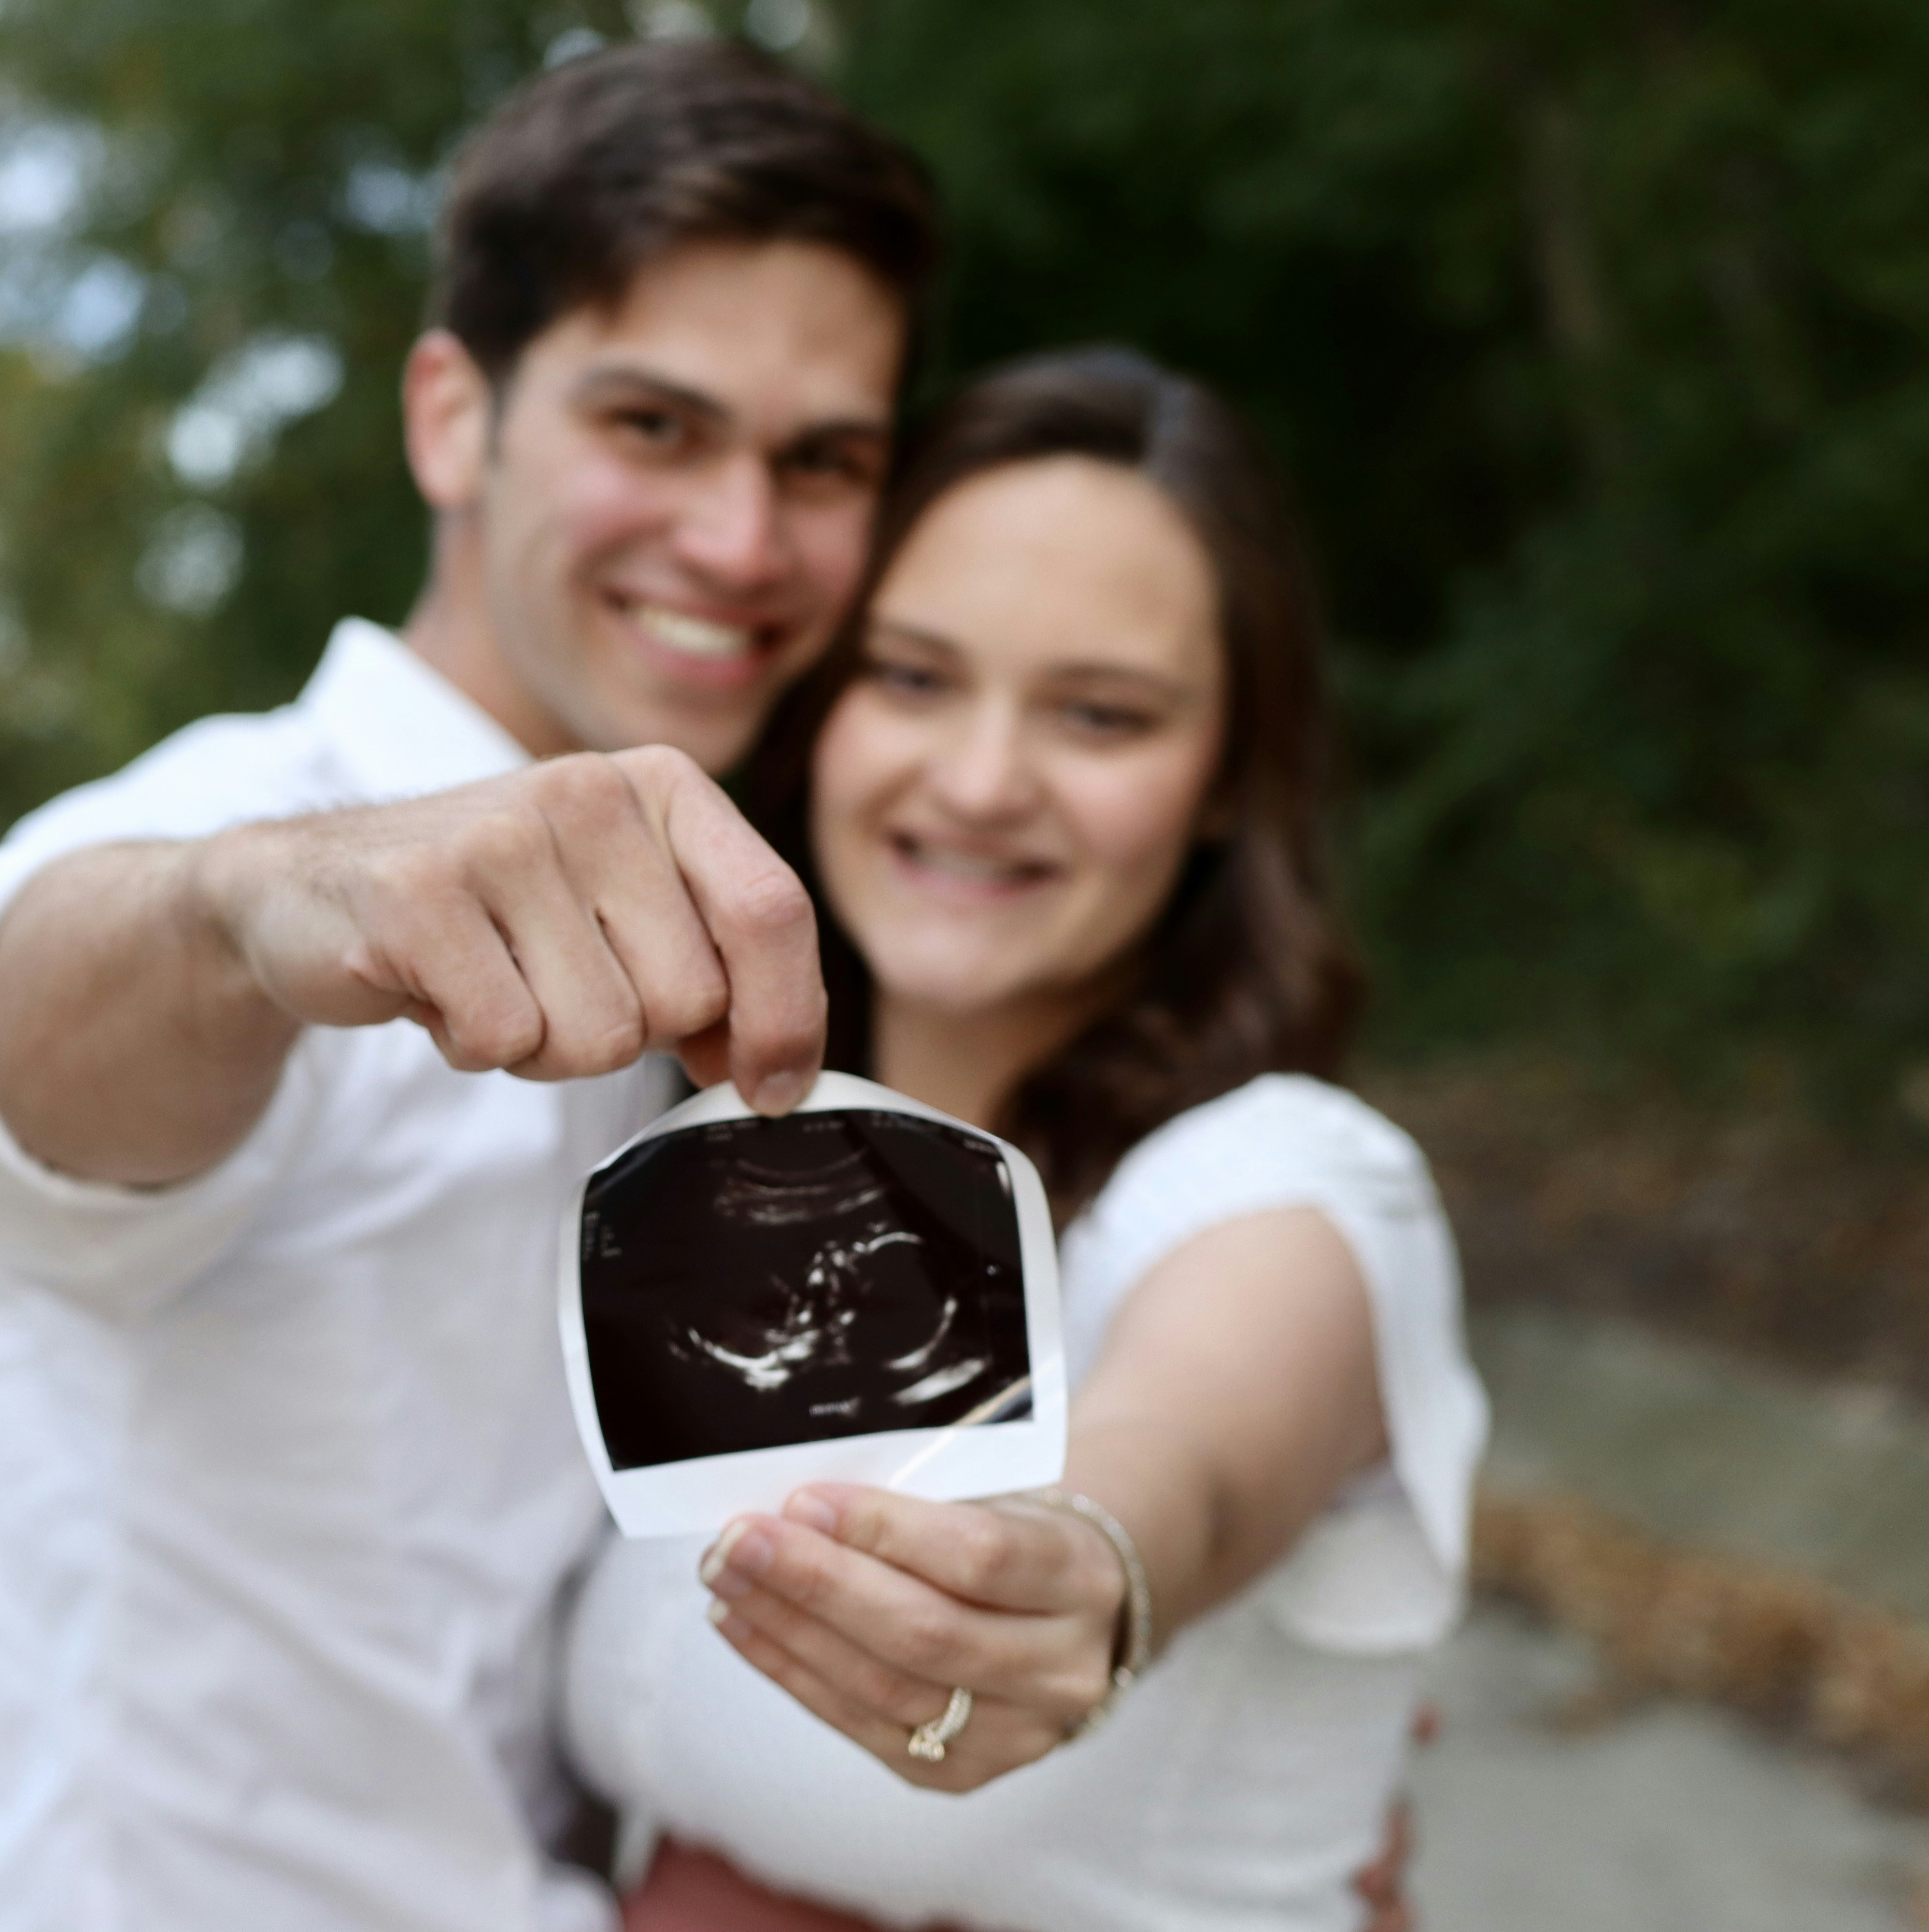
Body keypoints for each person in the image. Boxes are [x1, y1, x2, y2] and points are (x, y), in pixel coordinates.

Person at [0, 41, 937, 1932]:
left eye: (821, 461)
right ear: (454, 420)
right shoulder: (235, 836)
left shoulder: (754, 926)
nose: (743, 540)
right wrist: (261, 909)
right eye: (655, 426)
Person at [561, 348, 1490, 1932]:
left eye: (1102, 714)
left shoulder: (1293, 1184)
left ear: (1222, 784)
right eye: (913, 677)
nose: (982, 781)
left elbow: (1180, 1468)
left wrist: (1086, 1569)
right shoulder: (708, 1176)